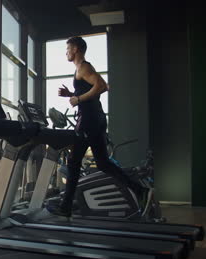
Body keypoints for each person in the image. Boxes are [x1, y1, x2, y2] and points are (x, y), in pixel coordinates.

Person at [46, 36, 146, 217]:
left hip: (89, 120)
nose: (66, 52)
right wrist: (71, 94)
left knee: (74, 163)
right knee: (103, 162)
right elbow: (90, 89)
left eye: (68, 48)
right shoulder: (81, 69)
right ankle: (139, 190)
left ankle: (65, 207)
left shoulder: (84, 67)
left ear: (75, 48)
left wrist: (78, 99)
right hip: (96, 118)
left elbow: (102, 86)